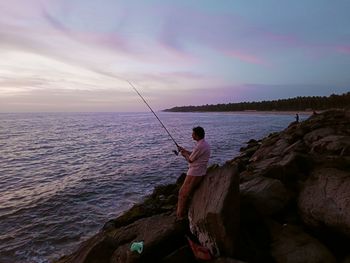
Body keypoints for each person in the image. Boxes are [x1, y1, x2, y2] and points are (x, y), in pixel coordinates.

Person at [176, 126, 211, 219]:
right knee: (186, 193)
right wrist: (184, 150)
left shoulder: (200, 146)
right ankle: (183, 213)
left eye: (193, 134)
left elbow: (190, 159)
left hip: (195, 171)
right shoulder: (204, 144)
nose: (191, 135)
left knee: (182, 193)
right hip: (200, 170)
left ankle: (180, 216)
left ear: (197, 135)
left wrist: (183, 154)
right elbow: (194, 154)